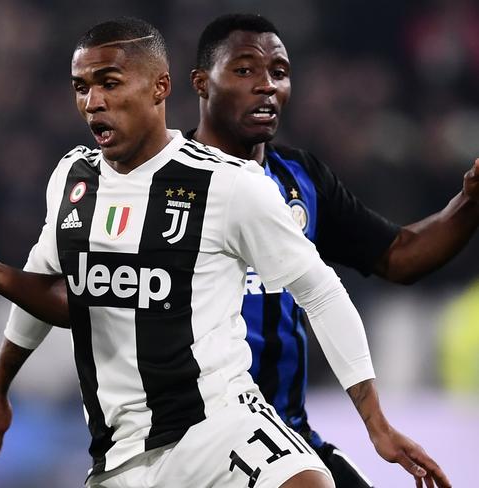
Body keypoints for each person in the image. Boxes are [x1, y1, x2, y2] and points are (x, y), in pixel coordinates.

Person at [0, 17, 450, 488]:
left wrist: (376, 424)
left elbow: (320, 291)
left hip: (220, 426)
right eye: (82, 87)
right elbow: (57, 286)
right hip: (118, 453)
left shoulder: (227, 185)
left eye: (110, 83)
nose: (92, 101)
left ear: (160, 87)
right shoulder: (73, 179)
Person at [187, 13, 479, 487]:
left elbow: (399, 256)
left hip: (286, 432)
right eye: (244, 70)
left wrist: (469, 201)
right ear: (202, 83)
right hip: (197, 440)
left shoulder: (300, 179)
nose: (266, 85)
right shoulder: (160, 181)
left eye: (278, 73)